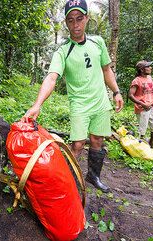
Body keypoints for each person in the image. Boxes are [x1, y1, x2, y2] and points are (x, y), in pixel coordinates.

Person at [23, 0, 124, 193]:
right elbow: (52, 78)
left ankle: (93, 176)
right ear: (66, 23)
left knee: (97, 140)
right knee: (77, 144)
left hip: (100, 102)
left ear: (87, 19)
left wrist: (117, 92)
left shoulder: (98, 42)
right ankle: (67, 180)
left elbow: (106, 69)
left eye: (79, 19)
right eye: (70, 20)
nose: (75, 24)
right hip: (79, 104)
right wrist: (37, 104)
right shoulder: (63, 51)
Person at [128, 60, 153, 149]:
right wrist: (142, 104)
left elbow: (152, 89)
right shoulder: (136, 80)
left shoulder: (150, 77)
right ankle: (139, 147)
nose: (151, 68)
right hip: (142, 108)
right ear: (142, 69)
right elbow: (130, 95)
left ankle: (151, 142)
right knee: (142, 130)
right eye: (148, 66)